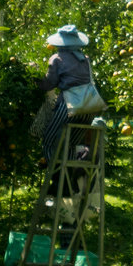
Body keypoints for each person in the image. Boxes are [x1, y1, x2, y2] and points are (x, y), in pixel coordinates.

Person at [38, 24, 96, 193]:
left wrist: (36, 81)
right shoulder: (85, 59)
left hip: (69, 106)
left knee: (49, 141)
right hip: (89, 107)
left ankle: (59, 181)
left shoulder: (57, 59)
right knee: (70, 143)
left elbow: (49, 84)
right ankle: (70, 176)